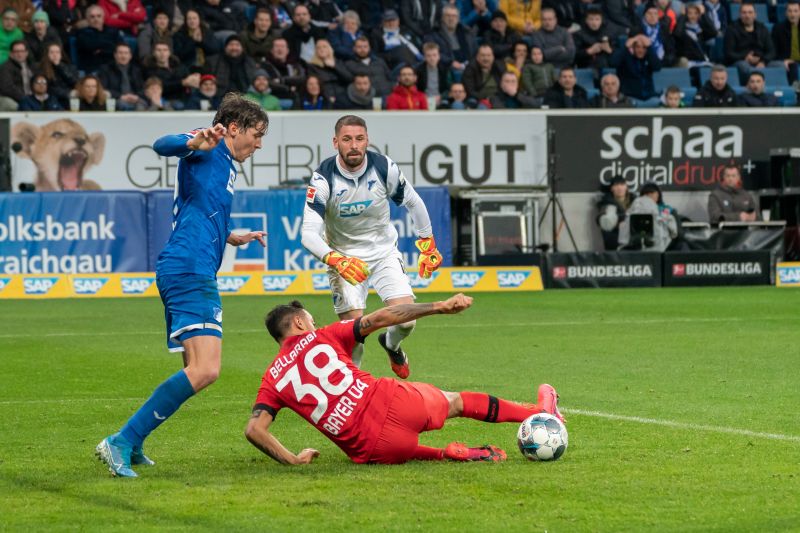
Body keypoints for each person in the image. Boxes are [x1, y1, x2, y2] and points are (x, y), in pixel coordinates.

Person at [96, 93, 269, 478]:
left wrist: (230, 235)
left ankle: (134, 443)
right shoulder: (207, 146)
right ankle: (121, 441)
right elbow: (161, 145)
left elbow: (198, 209)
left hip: (190, 266)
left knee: (195, 365)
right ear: (234, 128)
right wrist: (194, 141)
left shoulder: (227, 167)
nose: (259, 144)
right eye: (257, 135)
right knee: (206, 369)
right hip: (188, 268)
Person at [246, 294, 564, 465]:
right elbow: (382, 318)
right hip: (393, 403)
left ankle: (441, 454)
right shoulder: (323, 337)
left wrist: (293, 460)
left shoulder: (272, 378)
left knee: (387, 445)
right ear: (300, 322)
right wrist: (439, 306)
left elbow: (254, 430)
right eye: (311, 322)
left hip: (374, 450)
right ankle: (540, 413)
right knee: (455, 401)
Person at [301, 115, 443, 377]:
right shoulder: (323, 179)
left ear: (367, 140)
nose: (353, 145)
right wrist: (336, 260)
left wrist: (427, 242)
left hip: (384, 254)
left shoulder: (383, 167)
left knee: (407, 320)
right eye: (346, 139)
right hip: (345, 261)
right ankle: (351, 394)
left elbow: (413, 201)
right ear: (335, 142)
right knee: (353, 334)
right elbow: (308, 234)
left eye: (359, 138)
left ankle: (391, 344)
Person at [724, 2, 779, 82]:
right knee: (744, 66)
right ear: (740, 14)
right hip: (741, 61)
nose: (747, 15)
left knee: (779, 65)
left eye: (750, 12)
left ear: (755, 14)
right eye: (744, 13)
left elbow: (771, 51)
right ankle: (749, 88)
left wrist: (763, 61)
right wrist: (745, 57)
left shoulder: (762, 28)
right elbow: (729, 53)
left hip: (761, 60)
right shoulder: (731, 29)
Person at [618, 182, 678, 251]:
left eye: (652, 193)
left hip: (659, 246)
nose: (649, 196)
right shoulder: (633, 211)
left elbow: (676, 234)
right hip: (635, 246)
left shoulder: (668, 210)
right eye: (646, 194)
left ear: (658, 194)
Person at [611, 34, 662, 107]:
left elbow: (657, 67)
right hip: (630, 97)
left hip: (649, 96)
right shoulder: (625, 57)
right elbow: (613, 62)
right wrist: (625, 46)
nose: (641, 50)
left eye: (644, 47)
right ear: (633, 48)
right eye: (638, 47)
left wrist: (650, 47)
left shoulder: (648, 58)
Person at [75, 5, 123, 73]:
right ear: (88, 20)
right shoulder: (82, 33)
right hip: (93, 68)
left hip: (113, 67)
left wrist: (101, 50)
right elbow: (89, 45)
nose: (96, 19)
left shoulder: (113, 31)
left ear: (103, 18)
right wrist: (110, 46)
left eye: (99, 16)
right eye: (92, 17)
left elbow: (120, 47)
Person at [97, 42, 144, 111]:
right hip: (116, 99)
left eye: (126, 53)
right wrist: (120, 96)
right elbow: (103, 88)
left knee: (142, 106)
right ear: (115, 55)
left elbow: (142, 88)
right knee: (123, 105)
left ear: (130, 56)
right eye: (120, 53)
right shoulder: (105, 69)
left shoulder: (136, 70)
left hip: (135, 99)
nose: (123, 56)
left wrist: (136, 96)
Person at [596, 175, 635, 250]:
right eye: (616, 185)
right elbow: (601, 220)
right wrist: (617, 224)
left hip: (633, 242)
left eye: (622, 184)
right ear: (612, 188)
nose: (619, 188)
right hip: (615, 243)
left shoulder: (635, 201)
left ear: (626, 187)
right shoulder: (606, 202)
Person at [674, 3, 716, 68]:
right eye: (690, 13)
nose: (693, 16)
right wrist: (682, 16)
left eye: (696, 13)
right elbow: (677, 33)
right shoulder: (682, 29)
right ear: (686, 14)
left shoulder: (701, 30)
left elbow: (713, 32)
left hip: (701, 61)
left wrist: (704, 14)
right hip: (688, 62)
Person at [573, 7, 615, 71]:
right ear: (586, 20)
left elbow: (617, 54)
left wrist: (609, 50)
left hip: (606, 67)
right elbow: (574, 55)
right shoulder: (578, 35)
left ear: (601, 21)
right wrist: (589, 51)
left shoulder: (608, 33)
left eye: (597, 19)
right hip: (586, 67)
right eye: (591, 19)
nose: (594, 22)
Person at [771, 1, 800, 83]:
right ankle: (796, 92)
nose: (792, 14)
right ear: (786, 13)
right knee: (792, 66)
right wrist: (783, 60)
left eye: (795, 11)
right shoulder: (778, 28)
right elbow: (773, 51)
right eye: (790, 11)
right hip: (784, 61)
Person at [0, 39, 30, 109]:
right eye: (16, 51)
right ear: (11, 54)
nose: (19, 54)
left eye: (22, 51)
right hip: (13, 98)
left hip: (30, 99)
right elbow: (7, 88)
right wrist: (25, 98)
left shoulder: (32, 66)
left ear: (27, 53)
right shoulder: (5, 67)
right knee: (12, 105)